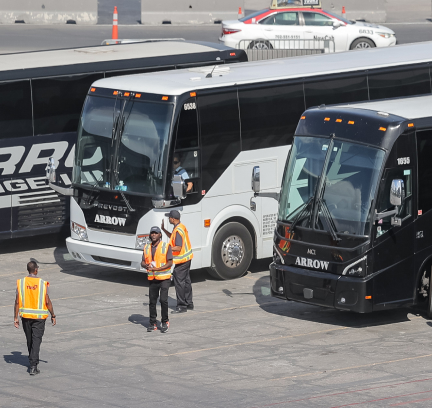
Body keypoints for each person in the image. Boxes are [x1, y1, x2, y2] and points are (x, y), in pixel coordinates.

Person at [14, 261, 56, 375]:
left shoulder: (21, 282)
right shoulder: (43, 283)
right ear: (36, 270)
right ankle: (33, 365)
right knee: (36, 340)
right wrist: (53, 314)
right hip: (39, 318)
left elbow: (17, 301)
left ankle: (32, 360)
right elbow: (47, 301)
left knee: (30, 340)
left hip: (25, 317)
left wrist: (15, 317)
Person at [141, 226, 173, 333]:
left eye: (156, 233)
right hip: (152, 278)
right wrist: (146, 266)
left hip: (164, 278)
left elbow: (170, 262)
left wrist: (158, 268)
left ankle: (165, 321)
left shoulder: (165, 246)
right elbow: (142, 261)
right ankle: (153, 323)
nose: (154, 235)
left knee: (163, 300)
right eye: (152, 233)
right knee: (152, 302)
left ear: (160, 235)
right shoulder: (146, 247)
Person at [161, 209, 194, 313]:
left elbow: (178, 247)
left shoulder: (178, 230)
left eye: (169, 217)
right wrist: (163, 229)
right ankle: (189, 303)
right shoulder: (180, 227)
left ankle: (182, 306)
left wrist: (167, 248)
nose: (169, 219)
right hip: (187, 258)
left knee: (179, 281)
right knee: (186, 281)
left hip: (182, 260)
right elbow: (173, 237)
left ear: (173, 219)